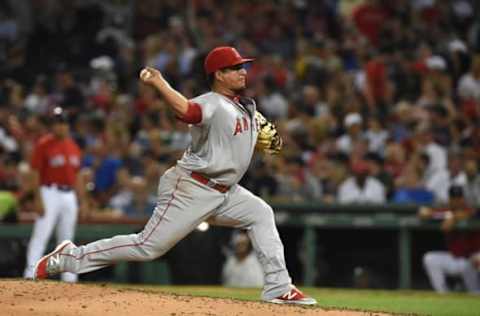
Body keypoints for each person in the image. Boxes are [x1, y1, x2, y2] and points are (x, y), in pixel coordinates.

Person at [33, 46, 317, 305]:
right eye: (235, 68)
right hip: (192, 187)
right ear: (219, 74)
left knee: (261, 213)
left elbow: (274, 145)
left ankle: (278, 287)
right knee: (147, 247)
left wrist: (269, 138)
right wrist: (159, 83)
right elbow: (187, 110)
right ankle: (70, 257)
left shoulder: (245, 108)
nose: (243, 71)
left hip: (225, 191)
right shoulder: (212, 103)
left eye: (242, 66)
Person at [23, 107, 84, 283]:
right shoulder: (44, 144)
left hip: (69, 195)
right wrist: (37, 198)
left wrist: (82, 200)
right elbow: (34, 173)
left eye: (63, 123)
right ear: (53, 126)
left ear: (67, 126)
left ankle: (69, 278)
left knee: (67, 238)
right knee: (41, 235)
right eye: (57, 123)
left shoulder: (73, 147)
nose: (60, 127)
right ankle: (30, 273)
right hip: (49, 192)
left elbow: (78, 174)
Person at [420, 186, 480, 293]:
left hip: (472, 257)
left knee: (477, 259)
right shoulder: (447, 211)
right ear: (450, 199)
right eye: (454, 198)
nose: (457, 201)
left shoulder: (470, 210)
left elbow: (471, 213)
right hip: (455, 258)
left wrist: (454, 218)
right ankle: (444, 295)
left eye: (459, 198)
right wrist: (428, 213)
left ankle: (476, 293)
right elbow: (425, 213)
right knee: (430, 259)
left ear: (463, 199)